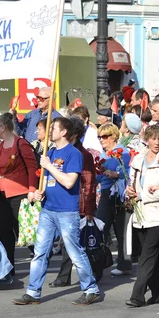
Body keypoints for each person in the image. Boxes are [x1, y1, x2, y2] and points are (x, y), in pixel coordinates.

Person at [12, 118, 100, 306]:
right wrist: (39, 191)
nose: (50, 131)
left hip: (67, 211)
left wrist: (49, 166)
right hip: (48, 209)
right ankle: (33, 291)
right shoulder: (49, 152)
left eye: (54, 129)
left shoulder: (73, 154)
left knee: (74, 251)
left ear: (64, 132)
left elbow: (69, 181)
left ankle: (91, 288)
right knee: (40, 252)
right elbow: (47, 180)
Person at [125, 125, 159, 307]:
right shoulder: (138, 159)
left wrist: (143, 195)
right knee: (149, 255)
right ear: (147, 139)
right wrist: (129, 191)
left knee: (146, 255)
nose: (157, 142)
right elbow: (131, 182)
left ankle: (137, 295)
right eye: (153, 138)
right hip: (140, 214)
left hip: (157, 213)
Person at [48, 116, 97, 287]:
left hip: (78, 203)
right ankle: (64, 276)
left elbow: (90, 182)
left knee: (74, 245)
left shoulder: (82, 154)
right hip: (60, 203)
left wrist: (89, 209)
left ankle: (83, 279)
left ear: (73, 134)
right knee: (65, 243)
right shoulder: (59, 151)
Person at [0, 112, 38, 281]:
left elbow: (32, 167)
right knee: (3, 233)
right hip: (2, 194)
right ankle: (7, 269)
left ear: (3, 128)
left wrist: (32, 189)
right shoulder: (0, 146)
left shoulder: (21, 144)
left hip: (20, 193)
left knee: (24, 231)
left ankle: (41, 258)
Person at [95, 123, 132, 276]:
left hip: (118, 194)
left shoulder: (122, 152)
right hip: (105, 193)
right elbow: (98, 175)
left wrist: (117, 174)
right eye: (99, 137)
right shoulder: (103, 154)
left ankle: (124, 264)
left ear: (113, 136)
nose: (101, 139)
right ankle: (100, 259)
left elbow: (129, 171)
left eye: (104, 136)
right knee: (100, 226)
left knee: (121, 230)